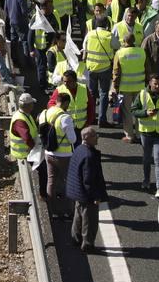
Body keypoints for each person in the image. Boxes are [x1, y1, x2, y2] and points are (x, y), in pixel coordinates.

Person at [67, 124, 108, 251]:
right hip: (86, 194)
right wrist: (95, 196)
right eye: (95, 136)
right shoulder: (89, 156)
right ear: (87, 137)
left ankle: (76, 238)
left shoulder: (79, 150)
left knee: (78, 215)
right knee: (89, 221)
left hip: (77, 191)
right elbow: (89, 180)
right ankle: (88, 245)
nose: (97, 138)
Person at [41, 89, 78, 217]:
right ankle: (69, 211)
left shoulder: (45, 113)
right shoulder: (65, 118)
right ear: (66, 103)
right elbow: (73, 139)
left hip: (48, 153)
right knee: (69, 182)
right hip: (64, 156)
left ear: (56, 101)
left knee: (51, 181)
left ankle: (53, 211)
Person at [136, 73, 159, 192]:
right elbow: (134, 110)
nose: (157, 86)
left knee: (158, 159)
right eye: (154, 83)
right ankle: (146, 180)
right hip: (146, 133)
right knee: (146, 159)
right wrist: (146, 113)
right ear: (150, 83)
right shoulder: (142, 94)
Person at [113, 33, 147, 143]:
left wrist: (115, 86)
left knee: (127, 112)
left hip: (125, 87)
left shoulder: (120, 53)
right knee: (139, 110)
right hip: (140, 86)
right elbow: (147, 68)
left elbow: (116, 72)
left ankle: (129, 136)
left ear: (124, 42)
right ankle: (140, 133)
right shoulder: (142, 52)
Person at [9, 93, 39, 163]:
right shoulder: (20, 121)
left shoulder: (26, 115)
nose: (33, 106)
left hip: (27, 152)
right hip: (23, 154)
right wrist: (34, 147)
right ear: (28, 106)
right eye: (32, 104)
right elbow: (27, 138)